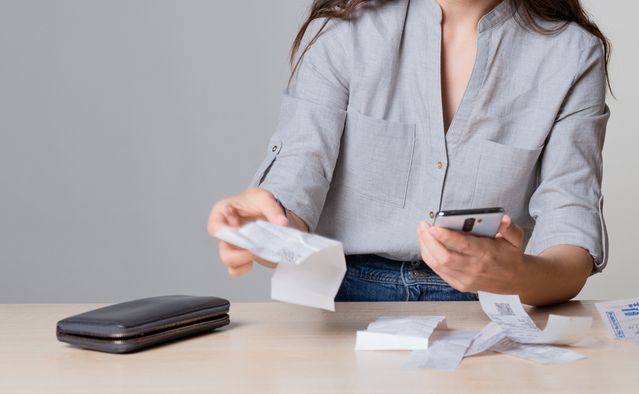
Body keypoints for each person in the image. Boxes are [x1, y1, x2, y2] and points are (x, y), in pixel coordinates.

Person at [207, 0, 611, 306]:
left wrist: (518, 276)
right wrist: (263, 228)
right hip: (341, 300)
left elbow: (570, 232)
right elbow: (297, 178)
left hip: (489, 303)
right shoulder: (344, 29)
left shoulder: (573, 55)